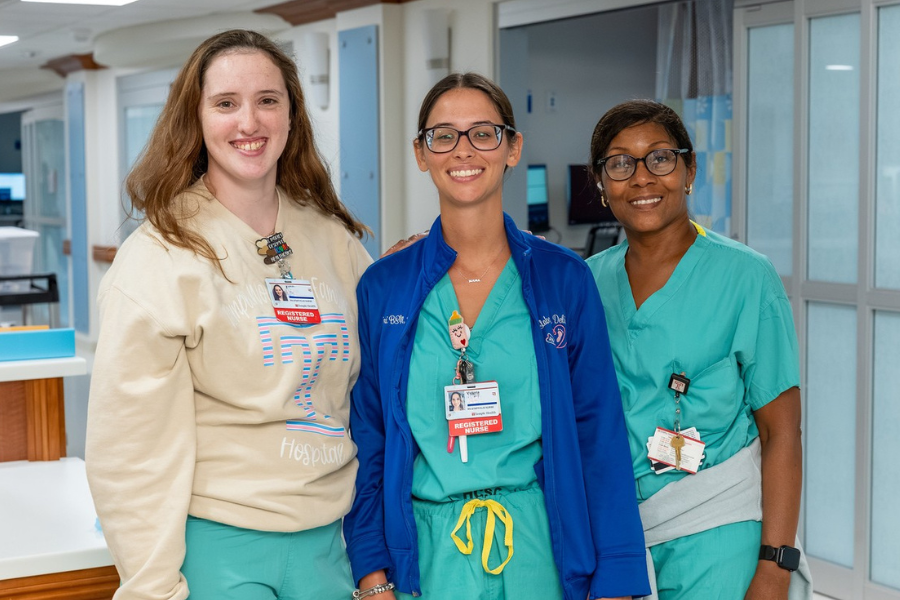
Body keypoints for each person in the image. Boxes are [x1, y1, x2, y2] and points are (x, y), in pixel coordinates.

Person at [85, 29, 371, 600]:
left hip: (328, 545)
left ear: (292, 115)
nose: (250, 122)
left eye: (268, 100)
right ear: (195, 118)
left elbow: (375, 383)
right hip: (218, 550)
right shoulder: (161, 255)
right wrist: (153, 586)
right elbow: (129, 450)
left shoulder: (332, 239)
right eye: (225, 103)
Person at [343, 73, 649, 600]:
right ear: (421, 153)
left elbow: (598, 435)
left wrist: (617, 581)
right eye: (444, 135)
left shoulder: (562, 279)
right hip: (425, 557)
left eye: (483, 133)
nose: (463, 150)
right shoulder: (385, 286)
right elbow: (368, 437)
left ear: (513, 147)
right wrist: (372, 572)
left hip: (540, 550)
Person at [585, 99, 811, 600]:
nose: (642, 177)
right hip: (618, 538)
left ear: (689, 171)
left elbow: (781, 432)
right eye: (619, 164)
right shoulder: (585, 282)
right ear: (601, 184)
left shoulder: (746, 276)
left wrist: (775, 568)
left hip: (718, 529)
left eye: (660, 158)